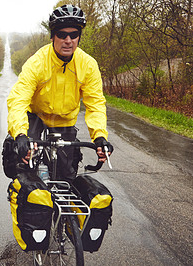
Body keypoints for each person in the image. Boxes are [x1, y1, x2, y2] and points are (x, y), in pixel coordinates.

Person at [7, 4, 113, 180]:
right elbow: (18, 99)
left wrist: (100, 137)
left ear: (79, 37)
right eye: (62, 34)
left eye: (74, 35)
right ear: (52, 36)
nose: (68, 40)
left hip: (64, 119)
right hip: (36, 115)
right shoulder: (37, 63)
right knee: (24, 162)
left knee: (66, 175)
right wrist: (20, 134)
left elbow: (95, 104)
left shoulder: (88, 65)